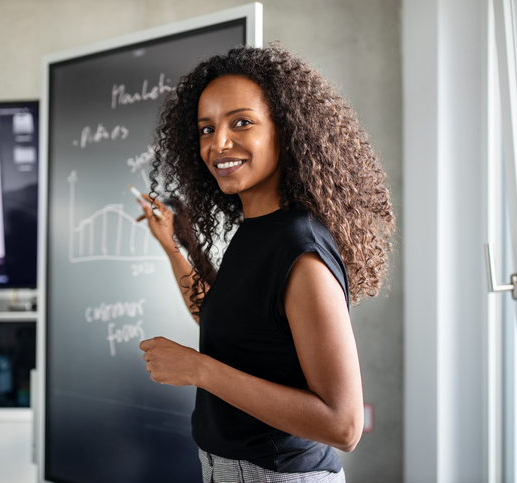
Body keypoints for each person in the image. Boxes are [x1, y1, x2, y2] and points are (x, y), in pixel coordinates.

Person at [136, 43, 394, 483]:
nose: (218, 143)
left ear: (286, 130)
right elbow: (222, 315)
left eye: (241, 122)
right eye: (205, 128)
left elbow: (343, 425)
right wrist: (176, 246)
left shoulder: (301, 247)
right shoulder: (258, 227)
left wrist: (198, 369)